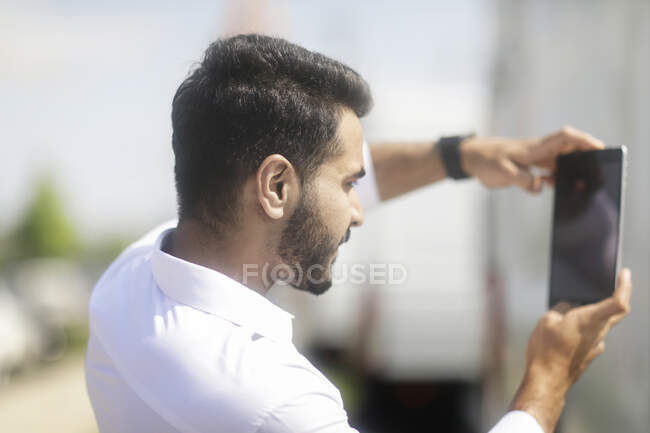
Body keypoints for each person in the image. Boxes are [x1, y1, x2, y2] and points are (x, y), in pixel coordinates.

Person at [84, 34, 632, 433]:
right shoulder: (274, 402)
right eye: (350, 184)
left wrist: (460, 156)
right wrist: (548, 381)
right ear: (275, 186)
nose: (359, 209)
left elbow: (319, 183)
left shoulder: (127, 280)